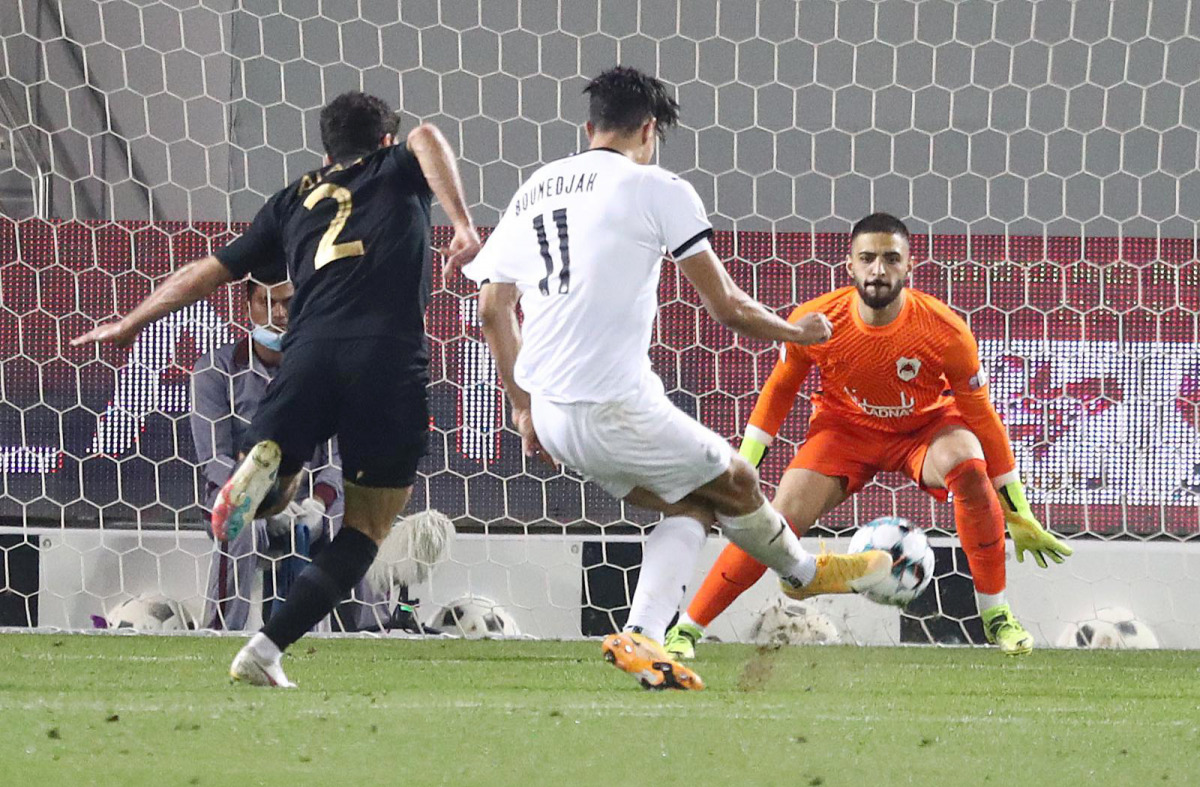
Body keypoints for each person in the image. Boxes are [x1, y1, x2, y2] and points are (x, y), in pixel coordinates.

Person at [458, 66, 891, 691]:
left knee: (693, 504)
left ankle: (644, 638)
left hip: (554, 411)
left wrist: (523, 410)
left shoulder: (536, 188)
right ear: (649, 129)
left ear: (589, 128)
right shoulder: (656, 187)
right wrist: (801, 334)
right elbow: (727, 307)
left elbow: (492, 308)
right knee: (739, 481)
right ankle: (803, 572)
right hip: (613, 406)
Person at [73, 91, 480, 687]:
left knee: (276, 495)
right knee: (367, 528)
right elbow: (428, 134)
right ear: (384, 142)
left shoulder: (292, 199)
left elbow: (209, 270)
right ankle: (267, 638)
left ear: (325, 148)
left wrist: (131, 321)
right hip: (387, 358)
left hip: (306, 356)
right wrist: (463, 227)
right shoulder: (396, 165)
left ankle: (270, 488)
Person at [662, 212, 1073, 660]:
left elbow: (985, 419)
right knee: (774, 520)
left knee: (969, 464)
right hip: (845, 432)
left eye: (891, 259)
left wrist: (1017, 507)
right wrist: (743, 466)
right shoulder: (816, 322)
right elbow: (776, 395)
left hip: (925, 431)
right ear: (850, 265)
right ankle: (687, 630)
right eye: (868, 258)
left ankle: (997, 617)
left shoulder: (946, 332)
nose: (879, 269)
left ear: (910, 266)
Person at [190, 278, 339, 631]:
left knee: (352, 523)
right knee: (240, 524)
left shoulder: (325, 370)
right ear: (248, 307)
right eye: (266, 302)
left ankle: (367, 634)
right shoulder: (214, 371)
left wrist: (318, 503)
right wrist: (260, 499)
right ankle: (221, 631)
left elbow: (335, 458)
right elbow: (213, 459)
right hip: (239, 496)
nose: (278, 313)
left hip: (308, 500)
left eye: (288, 302)